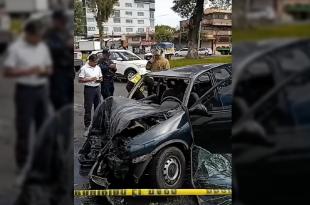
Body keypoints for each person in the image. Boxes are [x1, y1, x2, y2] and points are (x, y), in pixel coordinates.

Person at [3, 20, 52, 169]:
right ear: (28, 34)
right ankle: (22, 162)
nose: (39, 39)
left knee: (42, 126)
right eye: (36, 36)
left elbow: (49, 68)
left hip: (41, 90)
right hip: (25, 91)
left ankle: (40, 161)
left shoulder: (42, 46)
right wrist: (28, 71)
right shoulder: (16, 48)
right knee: (23, 127)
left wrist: (44, 71)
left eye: (40, 36)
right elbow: (7, 71)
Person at [45, 10, 74, 111]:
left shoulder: (66, 33)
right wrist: (66, 45)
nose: (62, 23)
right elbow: (50, 48)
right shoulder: (49, 34)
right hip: (58, 72)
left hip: (68, 72)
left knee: (69, 100)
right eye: (60, 21)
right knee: (60, 100)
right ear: (55, 21)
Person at [78, 54, 102, 135]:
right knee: (88, 107)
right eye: (95, 62)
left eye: (97, 62)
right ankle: (87, 125)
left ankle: (96, 124)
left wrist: (99, 80)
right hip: (89, 89)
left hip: (97, 88)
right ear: (90, 61)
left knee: (98, 107)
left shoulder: (98, 67)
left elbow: (101, 77)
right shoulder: (84, 68)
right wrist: (90, 79)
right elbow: (80, 80)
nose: (96, 63)